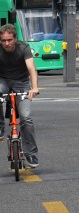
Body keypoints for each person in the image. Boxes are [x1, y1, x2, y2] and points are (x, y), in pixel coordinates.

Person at [0, 24, 41, 168]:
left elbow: (31, 68)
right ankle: (0, 127)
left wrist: (34, 87)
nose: (6, 43)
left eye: (9, 40)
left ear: (15, 39)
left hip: (21, 83)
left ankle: (31, 153)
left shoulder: (23, 48)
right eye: (3, 40)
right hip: (2, 80)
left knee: (25, 117)